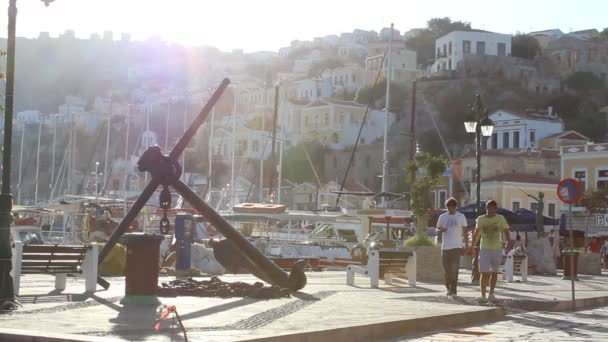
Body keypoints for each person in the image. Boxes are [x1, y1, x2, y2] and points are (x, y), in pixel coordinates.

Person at [473, 200, 510, 303]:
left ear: (495, 209)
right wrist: (472, 246)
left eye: (492, 208)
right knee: (484, 273)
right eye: (488, 208)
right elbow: (477, 233)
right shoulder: (481, 219)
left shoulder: (500, 219)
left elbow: (506, 231)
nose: (490, 210)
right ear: (486, 208)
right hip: (484, 248)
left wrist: (508, 243)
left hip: (496, 249)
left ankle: (491, 293)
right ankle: (483, 295)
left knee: (494, 272)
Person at [436, 197, 468, 297]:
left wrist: (466, 244)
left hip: (456, 246)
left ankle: (453, 290)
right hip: (445, 247)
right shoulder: (442, 217)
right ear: (447, 207)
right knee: (447, 271)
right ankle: (448, 287)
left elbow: (465, 231)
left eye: (452, 206)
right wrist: (441, 230)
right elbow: (438, 229)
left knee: (454, 270)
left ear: (455, 207)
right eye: (449, 207)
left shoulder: (461, 216)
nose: (451, 208)